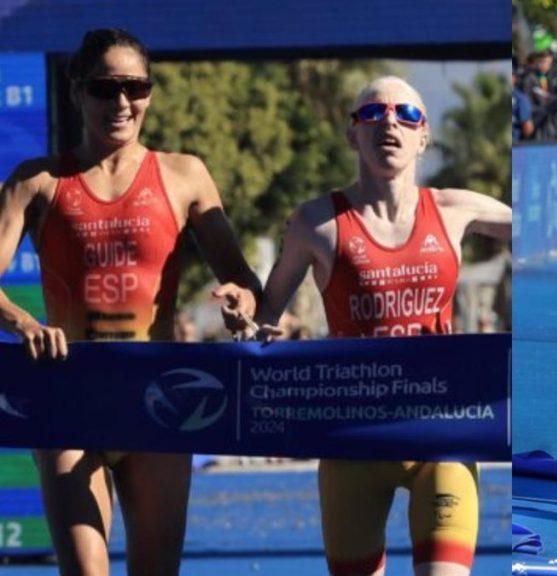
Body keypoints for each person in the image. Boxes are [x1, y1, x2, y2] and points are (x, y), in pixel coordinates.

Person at [0, 29, 260, 574]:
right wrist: (24, 322)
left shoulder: (184, 174)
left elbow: (242, 280)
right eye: (105, 87)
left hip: (158, 396)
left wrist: (241, 302)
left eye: (135, 87)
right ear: (78, 91)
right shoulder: (37, 182)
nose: (121, 102)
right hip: (70, 392)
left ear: (150, 93)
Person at [240, 76, 511, 575]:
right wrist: (247, 317)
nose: (390, 122)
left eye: (406, 114)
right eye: (373, 113)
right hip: (353, 443)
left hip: (440, 438)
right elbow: (262, 320)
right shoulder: (316, 223)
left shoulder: (455, 209)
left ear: (423, 136)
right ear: (352, 134)